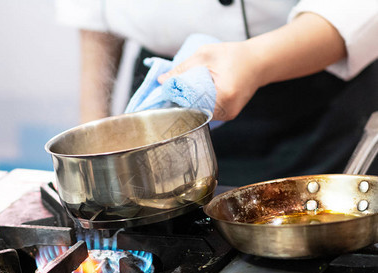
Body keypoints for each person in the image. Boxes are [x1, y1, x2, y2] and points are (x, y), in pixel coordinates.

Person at [55, 0, 378, 186]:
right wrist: (93, 140)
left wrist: (255, 60)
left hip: (310, 82)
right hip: (168, 82)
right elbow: (93, 11)